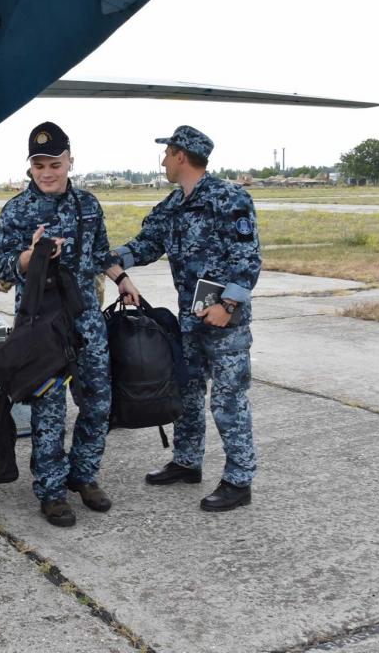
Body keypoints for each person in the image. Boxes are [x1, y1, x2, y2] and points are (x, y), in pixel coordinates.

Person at [110, 126, 261, 512]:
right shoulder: (173, 205)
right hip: (190, 319)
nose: (163, 161)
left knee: (227, 400)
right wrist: (111, 258)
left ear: (180, 156)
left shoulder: (229, 198)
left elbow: (247, 258)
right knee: (187, 392)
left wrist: (227, 306)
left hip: (225, 322)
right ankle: (187, 462)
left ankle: (239, 480)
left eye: (167, 154)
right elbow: (146, 244)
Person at [0, 122, 120, 527]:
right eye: (39, 165)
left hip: (85, 320)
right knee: (48, 409)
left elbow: (101, 253)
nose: (47, 173)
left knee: (98, 401)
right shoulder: (16, 210)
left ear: (70, 162)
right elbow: (2, 268)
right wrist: (30, 256)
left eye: (55, 164)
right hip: (40, 325)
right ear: (29, 166)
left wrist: (123, 280)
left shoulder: (88, 205)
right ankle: (51, 491)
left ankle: (84, 475)